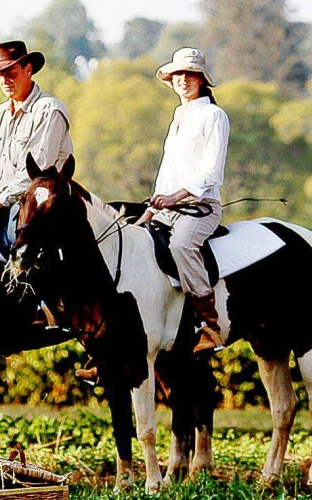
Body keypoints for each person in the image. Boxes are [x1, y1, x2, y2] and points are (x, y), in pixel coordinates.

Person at [136, 47, 230, 354]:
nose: (183, 80)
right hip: (166, 209)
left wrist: (175, 196)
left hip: (200, 208)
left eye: (190, 74)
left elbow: (211, 173)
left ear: (201, 80)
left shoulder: (214, 115)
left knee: (181, 246)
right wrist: (150, 212)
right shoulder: (178, 115)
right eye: (178, 75)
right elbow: (168, 172)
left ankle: (210, 325)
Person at [0, 40, 73, 252]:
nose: (5, 80)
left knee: (19, 251)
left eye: (10, 72)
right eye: (0, 75)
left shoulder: (49, 111)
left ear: (28, 70)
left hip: (38, 207)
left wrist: (1, 200)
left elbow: (37, 170)